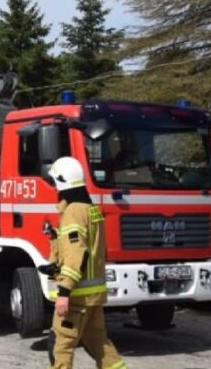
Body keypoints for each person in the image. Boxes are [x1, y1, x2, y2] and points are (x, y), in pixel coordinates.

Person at [46, 157, 126, 369]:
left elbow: (76, 253)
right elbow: (88, 250)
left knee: (61, 345)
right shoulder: (90, 208)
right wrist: (55, 241)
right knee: (99, 343)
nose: (54, 187)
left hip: (77, 296)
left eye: (54, 182)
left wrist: (64, 292)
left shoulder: (73, 211)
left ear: (62, 182)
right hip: (93, 296)